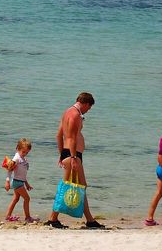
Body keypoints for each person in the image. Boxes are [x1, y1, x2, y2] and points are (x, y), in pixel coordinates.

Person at [45, 92, 104, 229]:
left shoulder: (67, 112)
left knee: (76, 186)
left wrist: (61, 155)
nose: (88, 111)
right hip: (73, 155)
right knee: (73, 187)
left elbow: (59, 135)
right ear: (85, 103)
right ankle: (54, 219)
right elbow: (70, 138)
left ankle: (88, 220)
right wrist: (72, 158)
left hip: (69, 153)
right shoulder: (75, 115)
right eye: (89, 108)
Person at [3, 138, 40, 223]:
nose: (25, 154)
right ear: (18, 149)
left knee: (16, 199)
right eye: (23, 152)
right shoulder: (16, 158)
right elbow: (9, 170)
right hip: (17, 182)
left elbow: (23, 174)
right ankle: (27, 217)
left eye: (27, 152)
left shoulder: (23, 159)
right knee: (27, 199)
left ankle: (8, 216)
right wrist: (7, 182)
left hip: (20, 182)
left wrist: (27, 184)